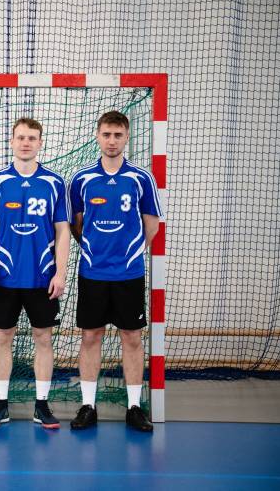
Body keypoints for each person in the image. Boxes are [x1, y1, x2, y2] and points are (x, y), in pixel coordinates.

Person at [68, 110, 162, 432]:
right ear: (98, 136)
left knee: (131, 337)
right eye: (107, 134)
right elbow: (76, 225)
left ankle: (134, 407)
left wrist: (129, 254)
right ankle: (88, 406)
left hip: (129, 274)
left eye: (118, 135)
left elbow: (151, 225)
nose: (112, 141)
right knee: (90, 336)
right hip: (93, 272)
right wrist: (97, 250)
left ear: (126, 137)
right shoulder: (82, 179)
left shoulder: (141, 178)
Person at [0, 118, 71, 429]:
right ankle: (1, 405)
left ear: (40, 143)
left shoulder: (54, 183)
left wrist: (60, 272)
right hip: (4, 277)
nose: (26, 143)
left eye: (32, 138)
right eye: (21, 137)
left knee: (43, 338)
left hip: (42, 277)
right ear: (12, 141)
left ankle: (41, 406)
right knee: (2, 338)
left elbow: (63, 231)